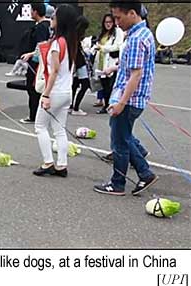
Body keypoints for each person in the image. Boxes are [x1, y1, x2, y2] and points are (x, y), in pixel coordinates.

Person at [94, 0, 158, 196]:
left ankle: (120, 182)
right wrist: (113, 68)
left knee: (120, 141)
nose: (116, 22)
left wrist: (121, 103)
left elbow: (136, 74)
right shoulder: (143, 33)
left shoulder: (137, 38)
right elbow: (130, 66)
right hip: (131, 97)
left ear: (132, 13)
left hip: (129, 99)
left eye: (118, 17)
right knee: (124, 136)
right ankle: (144, 172)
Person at [33, 4, 78, 178]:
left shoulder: (57, 44)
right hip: (67, 92)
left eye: (54, 17)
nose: (52, 20)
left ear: (61, 21)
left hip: (55, 92)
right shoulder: (70, 42)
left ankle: (48, 162)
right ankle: (61, 164)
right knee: (60, 129)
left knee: (40, 126)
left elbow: (54, 72)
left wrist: (45, 94)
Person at [19, 3, 51, 124]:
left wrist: (31, 54)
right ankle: (36, 114)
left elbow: (42, 45)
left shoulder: (41, 27)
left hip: (37, 63)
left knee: (33, 88)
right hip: (38, 62)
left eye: (31, 11)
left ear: (36, 12)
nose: (31, 13)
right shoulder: (43, 26)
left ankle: (34, 115)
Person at [93, 13, 124, 114]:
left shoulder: (117, 32)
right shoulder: (104, 33)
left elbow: (118, 46)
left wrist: (103, 48)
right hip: (101, 61)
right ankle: (106, 105)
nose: (108, 24)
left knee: (110, 86)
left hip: (111, 62)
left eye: (110, 22)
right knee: (104, 85)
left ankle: (109, 105)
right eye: (106, 22)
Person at [70, 15, 91, 116]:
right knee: (85, 85)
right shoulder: (76, 37)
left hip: (75, 64)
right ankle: (76, 107)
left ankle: (71, 106)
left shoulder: (71, 35)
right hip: (79, 64)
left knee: (74, 85)